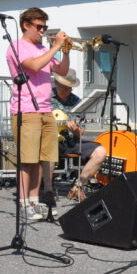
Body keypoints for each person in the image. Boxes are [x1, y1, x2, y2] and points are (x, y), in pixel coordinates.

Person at [6, 7, 70, 221]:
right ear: (26, 25)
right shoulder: (18, 46)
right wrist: (56, 46)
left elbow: (61, 71)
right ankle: (23, 202)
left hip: (45, 109)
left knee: (44, 159)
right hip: (26, 110)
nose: (43, 31)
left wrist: (66, 51)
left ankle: (34, 199)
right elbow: (33, 66)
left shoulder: (43, 48)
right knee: (27, 160)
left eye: (45, 27)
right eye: (39, 26)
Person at [49, 69, 108, 202]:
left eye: (69, 87)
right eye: (64, 86)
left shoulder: (77, 102)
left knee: (101, 152)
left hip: (71, 142)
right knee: (49, 149)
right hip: (50, 141)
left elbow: (81, 131)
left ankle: (78, 187)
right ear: (57, 84)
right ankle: (48, 190)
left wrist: (75, 130)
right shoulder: (46, 99)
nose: (67, 90)